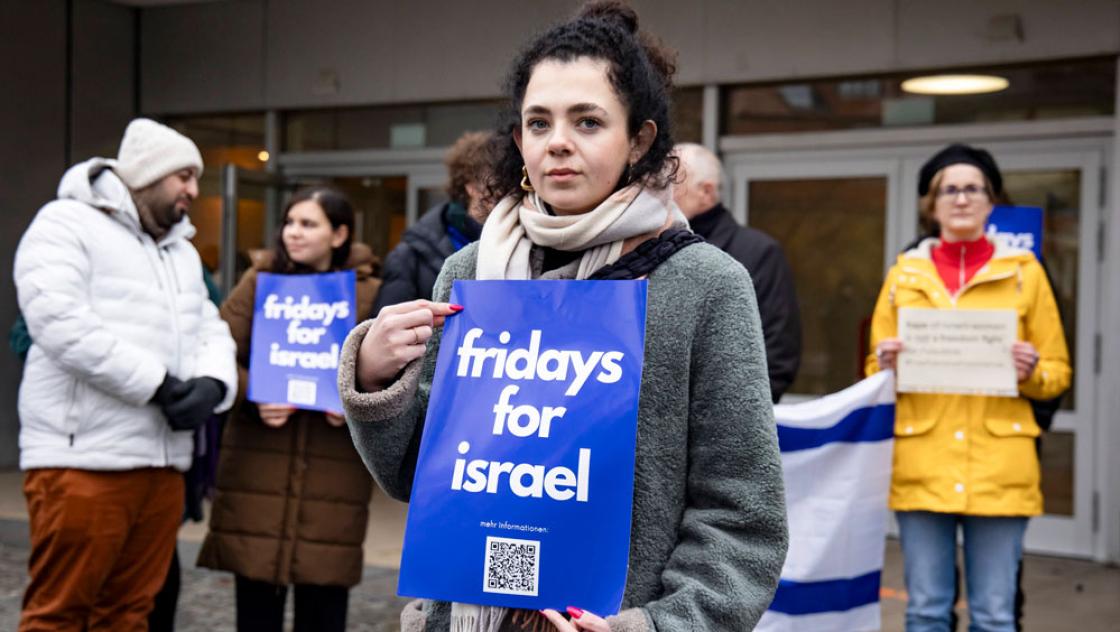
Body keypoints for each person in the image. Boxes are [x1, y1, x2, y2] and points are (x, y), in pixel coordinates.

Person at [337, 3, 788, 631]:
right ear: (519, 141)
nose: (559, 142)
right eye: (539, 122)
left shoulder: (705, 287)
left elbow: (743, 520)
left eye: (588, 121)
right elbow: (421, 479)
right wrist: (376, 376)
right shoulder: (470, 274)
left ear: (639, 139)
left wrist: (656, 625)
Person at [13, 117, 238, 631]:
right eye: (184, 175)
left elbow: (211, 328)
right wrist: (157, 384)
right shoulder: (64, 223)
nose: (193, 190)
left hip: (161, 467)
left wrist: (212, 385)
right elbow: (58, 322)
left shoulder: (180, 251)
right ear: (147, 173)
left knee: (130, 613)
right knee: (60, 613)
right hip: (82, 461)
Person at [867, 143, 1071, 632]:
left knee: (996, 616)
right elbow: (875, 369)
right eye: (950, 190)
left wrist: (1031, 370)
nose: (962, 199)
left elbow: (1058, 374)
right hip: (924, 462)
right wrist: (887, 365)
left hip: (1000, 468)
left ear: (990, 200)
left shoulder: (1026, 274)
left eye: (973, 189)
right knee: (925, 612)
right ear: (931, 204)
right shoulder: (904, 274)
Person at [196, 187, 382, 632]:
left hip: (332, 468)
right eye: (289, 222)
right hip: (258, 463)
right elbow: (214, 350)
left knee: (323, 605)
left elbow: (391, 371)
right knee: (255, 605)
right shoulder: (258, 282)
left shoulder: (371, 293)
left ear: (339, 235)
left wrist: (355, 401)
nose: (293, 233)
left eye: (308, 223)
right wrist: (255, 392)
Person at [672, 142, 802, 402]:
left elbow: (778, 357)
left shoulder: (758, 252)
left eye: (671, 183)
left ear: (706, 192)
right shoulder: (649, 252)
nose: (657, 194)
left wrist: (729, 419)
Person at [375, 131, 492, 310]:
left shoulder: (521, 247)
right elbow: (388, 329)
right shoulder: (410, 256)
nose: (509, 190)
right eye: (497, 179)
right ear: (471, 185)